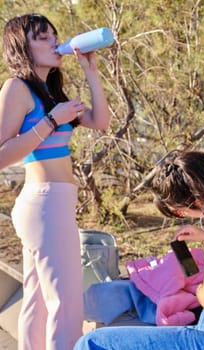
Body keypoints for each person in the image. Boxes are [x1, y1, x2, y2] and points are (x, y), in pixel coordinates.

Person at [74, 150, 204, 349]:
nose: (182, 215)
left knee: (91, 342)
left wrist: (196, 286)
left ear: (196, 199)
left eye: (178, 211)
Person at [0, 13, 110, 350]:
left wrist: (90, 70)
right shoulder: (16, 87)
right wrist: (50, 121)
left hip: (56, 204)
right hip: (43, 203)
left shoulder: (50, 91)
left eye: (54, 35)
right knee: (65, 300)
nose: (53, 41)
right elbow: (2, 154)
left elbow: (101, 121)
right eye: (42, 37)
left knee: (39, 298)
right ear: (22, 46)